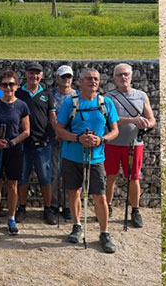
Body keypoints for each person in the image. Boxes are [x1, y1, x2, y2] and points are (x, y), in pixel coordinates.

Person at [54, 68, 121, 253]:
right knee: (73, 193)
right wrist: (77, 138)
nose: (93, 82)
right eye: (89, 79)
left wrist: (101, 140)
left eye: (96, 79)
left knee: (100, 196)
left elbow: (115, 130)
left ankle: (104, 232)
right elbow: (59, 130)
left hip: (96, 157)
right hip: (72, 156)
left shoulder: (106, 103)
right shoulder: (70, 103)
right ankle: (77, 225)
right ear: (80, 82)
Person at [105, 63, 156, 228]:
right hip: (113, 143)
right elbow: (110, 119)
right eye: (119, 75)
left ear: (131, 76)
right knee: (110, 176)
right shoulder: (108, 97)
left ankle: (135, 210)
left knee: (134, 178)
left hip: (134, 144)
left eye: (126, 74)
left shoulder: (141, 96)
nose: (123, 77)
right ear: (114, 78)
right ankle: (108, 206)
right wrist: (132, 120)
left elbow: (152, 119)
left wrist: (146, 124)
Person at [0, 70, 30, 235]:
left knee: (12, 185)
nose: (8, 87)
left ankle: (11, 217)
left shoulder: (21, 105)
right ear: (0, 86)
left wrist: (11, 142)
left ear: (16, 86)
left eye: (11, 84)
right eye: (4, 84)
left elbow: (26, 131)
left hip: (13, 149)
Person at [15, 62, 57, 225]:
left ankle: (48, 209)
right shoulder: (18, 93)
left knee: (45, 178)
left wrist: (57, 132)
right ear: (26, 75)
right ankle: (22, 207)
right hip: (23, 143)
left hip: (43, 143)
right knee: (22, 178)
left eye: (37, 73)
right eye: (31, 73)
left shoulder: (47, 94)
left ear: (42, 76)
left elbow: (52, 117)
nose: (34, 76)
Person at [51, 65, 77, 221]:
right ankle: (55, 204)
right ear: (57, 78)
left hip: (73, 140)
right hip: (56, 139)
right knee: (55, 173)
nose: (66, 80)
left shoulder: (78, 95)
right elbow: (52, 116)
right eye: (63, 77)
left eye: (69, 77)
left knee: (70, 174)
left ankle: (68, 205)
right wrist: (58, 132)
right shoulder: (51, 95)